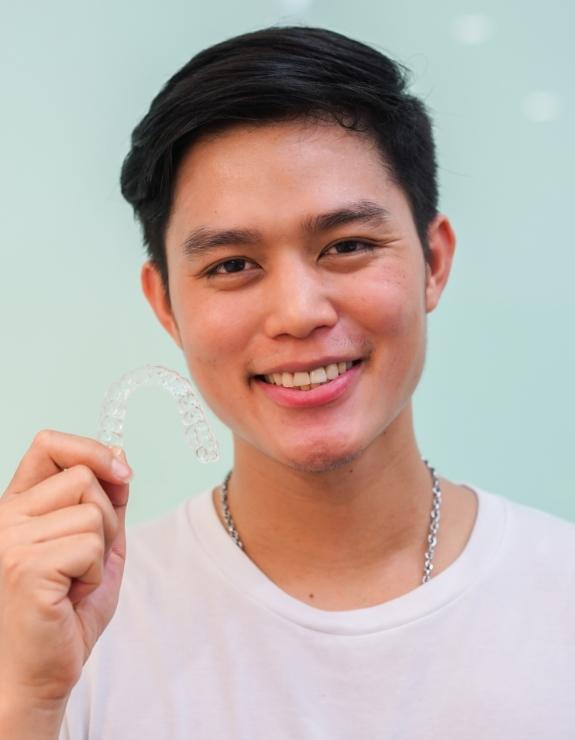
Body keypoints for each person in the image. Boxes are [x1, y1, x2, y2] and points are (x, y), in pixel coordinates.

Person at [1, 25, 573, 740]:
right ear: (165, 304)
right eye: (231, 265)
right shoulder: (70, 627)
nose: (298, 313)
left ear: (432, 260)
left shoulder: (559, 595)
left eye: (347, 246)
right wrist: (25, 699)